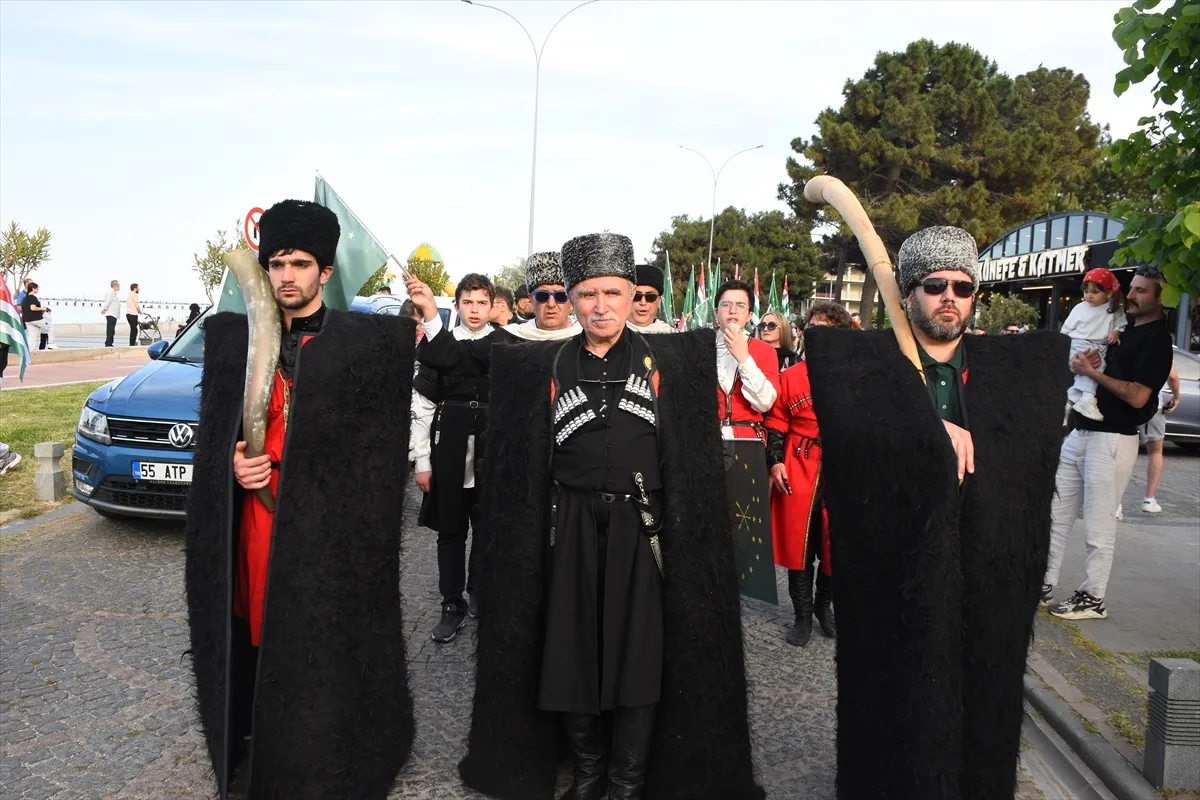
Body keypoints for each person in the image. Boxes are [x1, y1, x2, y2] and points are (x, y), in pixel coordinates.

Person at [411, 231, 761, 800]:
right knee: (569, 650)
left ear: (631, 296)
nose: (601, 306)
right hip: (564, 524)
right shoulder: (540, 364)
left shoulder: (667, 361)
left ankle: (626, 780)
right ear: (571, 298)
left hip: (641, 528)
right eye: (588, 294)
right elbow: (460, 364)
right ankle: (590, 770)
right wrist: (430, 316)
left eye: (614, 293)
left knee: (639, 654)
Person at [804, 225, 1070, 798]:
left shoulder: (1011, 371)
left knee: (980, 684)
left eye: (963, 286)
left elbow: (1028, 454)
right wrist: (926, 431)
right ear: (908, 294)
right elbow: (852, 442)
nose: (950, 296)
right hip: (895, 570)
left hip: (983, 566)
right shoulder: (866, 368)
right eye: (934, 284)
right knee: (897, 690)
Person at [184, 199, 417, 799]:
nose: (287, 275)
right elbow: (214, 441)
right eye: (278, 263)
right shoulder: (232, 342)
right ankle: (260, 738)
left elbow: (376, 453)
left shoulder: (363, 345)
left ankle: (320, 744)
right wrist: (232, 464)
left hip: (325, 532)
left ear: (326, 272)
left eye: (301, 263)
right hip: (259, 526)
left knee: (320, 637)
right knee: (262, 629)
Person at [1044, 267, 1175, 620]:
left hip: (1113, 438)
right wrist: (1085, 363)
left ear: (1161, 299)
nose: (1132, 295)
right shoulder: (1123, 328)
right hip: (1080, 431)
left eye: (1142, 291)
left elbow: (1137, 396)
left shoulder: (1157, 341)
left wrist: (1092, 374)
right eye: (1132, 288)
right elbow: (1100, 363)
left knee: (1099, 525)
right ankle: (1042, 582)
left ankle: (1093, 597)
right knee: (1055, 515)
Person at [411, 273, 495, 641]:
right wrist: (423, 460)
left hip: (492, 453)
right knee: (451, 532)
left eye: (481, 302)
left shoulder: (504, 345)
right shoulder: (437, 346)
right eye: (468, 302)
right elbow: (423, 405)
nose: (474, 309)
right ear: (457, 305)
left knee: (488, 529)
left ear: (492, 307)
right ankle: (451, 603)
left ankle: (479, 590)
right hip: (449, 451)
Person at [766, 301, 853, 647]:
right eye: (815, 328)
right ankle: (802, 616)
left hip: (841, 469)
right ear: (805, 333)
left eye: (830, 329)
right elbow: (775, 422)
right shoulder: (791, 376)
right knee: (798, 548)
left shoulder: (857, 377)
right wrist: (775, 460)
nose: (822, 335)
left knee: (836, 546)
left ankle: (823, 608)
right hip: (798, 465)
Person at [713, 279, 780, 603]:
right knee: (710, 521)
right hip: (709, 443)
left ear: (750, 313)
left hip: (747, 443)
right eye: (727, 304)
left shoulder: (764, 351)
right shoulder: (701, 346)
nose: (733, 311)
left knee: (744, 526)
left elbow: (765, 401)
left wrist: (743, 357)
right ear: (716, 312)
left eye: (740, 305)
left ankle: (736, 596)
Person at [1060, 268, 1127, 421]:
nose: (1088, 295)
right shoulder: (1079, 308)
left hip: (1099, 346)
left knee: (1086, 377)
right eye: (1086, 291)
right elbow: (1065, 330)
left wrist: (1115, 333)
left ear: (1109, 293)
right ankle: (1089, 398)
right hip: (1080, 342)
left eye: (1095, 292)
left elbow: (1121, 324)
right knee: (1097, 368)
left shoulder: (1114, 310)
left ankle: (1068, 405)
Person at [1139, 362, 1180, 514]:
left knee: (1122, 451)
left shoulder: (1126, 340)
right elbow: (1173, 377)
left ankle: (1116, 503)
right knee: (1155, 452)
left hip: (1125, 403)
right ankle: (1149, 500)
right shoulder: (1160, 344)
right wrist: (1176, 397)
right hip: (1152, 406)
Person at [627, 264, 675, 333]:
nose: (643, 302)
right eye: (636, 296)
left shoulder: (672, 336)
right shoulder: (612, 335)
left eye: (650, 297)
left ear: (659, 302)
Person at [21, 282, 55, 350]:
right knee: (51, 328)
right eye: (37, 288)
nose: (38, 289)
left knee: (32, 336)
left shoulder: (25, 299)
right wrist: (44, 309)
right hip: (36, 319)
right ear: (33, 289)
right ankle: (51, 344)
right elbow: (32, 308)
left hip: (28, 320)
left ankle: (30, 350)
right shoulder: (33, 298)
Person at [101, 280, 121, 347]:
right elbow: (108, 301)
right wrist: (104, 309)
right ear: (115, 285)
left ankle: (110, 343)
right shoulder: (111, 292)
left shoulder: (113, 292)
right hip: (111, 313)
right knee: (110, 329)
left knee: (112, 329)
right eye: (118, 285)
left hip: (113, 314)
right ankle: (108, 343)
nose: (119, 287)